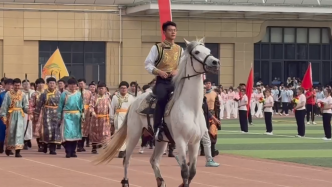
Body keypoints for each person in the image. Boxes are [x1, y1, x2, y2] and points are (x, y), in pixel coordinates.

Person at [144, 21, 183, 141]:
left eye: (175, 30)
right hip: (162, 82)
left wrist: (177, 70)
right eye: (170, 30)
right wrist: (159, 72)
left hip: (176, 81)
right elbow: (148, 64)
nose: (173, 32)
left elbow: (183, 65)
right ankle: (157, 128)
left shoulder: (180, 49)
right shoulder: (157, 48)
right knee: (161, 98)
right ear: (164, 32)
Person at [0, 78, 29, 157]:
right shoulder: (8, 94)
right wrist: (3, 115)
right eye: (15, 85)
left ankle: (18, 151)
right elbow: (4, 106)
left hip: (20, 115)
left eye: (18, 85)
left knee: (19, 132)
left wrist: (28, 110)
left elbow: (25, 105)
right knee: (11, 132)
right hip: (11, 115)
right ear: (13, 85)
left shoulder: (22, 94)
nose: (17, 87)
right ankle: (8, 148)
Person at [57, 78, 84, 158]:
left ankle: (73, 151)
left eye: (74, 85)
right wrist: (59, 117)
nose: (73, 86)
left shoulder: (79, 94)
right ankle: (68, 151)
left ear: (76, 86)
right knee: (68, 134)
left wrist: (82, 115)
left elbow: (81, 106)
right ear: (68, 85)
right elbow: (60, 106)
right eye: (71, 84)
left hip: (76, 115)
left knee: (75, 135)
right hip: (67, 115)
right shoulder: (64, 94)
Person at [35, 77, 62, 155]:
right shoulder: (44, 94)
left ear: (55, 84)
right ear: (47, 84)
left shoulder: (59, 94)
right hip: (46, 113)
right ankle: (45, 145)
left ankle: (52, 149)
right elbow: (39, 105)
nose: (52, 85)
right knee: (47, 131)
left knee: (55, 131)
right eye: (50, 83)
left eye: (53, 83)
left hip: (56, 114)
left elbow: (62, 104)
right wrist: (36, 114)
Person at [110, 81, 135, 158]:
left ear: (127, 89)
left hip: (128, 117)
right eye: (122, 88)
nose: (123, 89)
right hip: (118, 117)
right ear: (119, 89)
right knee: (119, 134)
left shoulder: (131, 98)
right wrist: (111, 119)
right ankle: (121, 150)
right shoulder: (115, 97)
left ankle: (125, 150)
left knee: (127, 134)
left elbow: (133, 109)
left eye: (125, 88)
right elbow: (111, 108)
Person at [89, 82, 111, 154]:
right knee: (95, 133)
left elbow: (110, 107)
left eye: (102, 88)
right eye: (99, 88)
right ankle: (94, 147)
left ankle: (105, 147)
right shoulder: (94, 97)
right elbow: (91, 106)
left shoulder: (108, 97)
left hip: (105, 118)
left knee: (105, 133)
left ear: (105, 89)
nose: (101, 90)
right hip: (96, 118)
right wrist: (93, 112)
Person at [201, 95, 220, 167]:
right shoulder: (196, 99)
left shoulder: (203, 99)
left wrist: (215, 119)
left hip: (203, 124)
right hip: (198, 123)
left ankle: (209, 160)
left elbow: (207, 112)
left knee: (206, 141)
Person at [204, 79, 220, 156]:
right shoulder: (202, 94)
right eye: (206, 83)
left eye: (209, 83)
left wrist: (218, 117)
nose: (208, 85)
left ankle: (212, 149)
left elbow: (217, 106)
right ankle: (203, 150)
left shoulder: (214, 94)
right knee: (204, 131)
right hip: (203, 114)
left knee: (213, 131)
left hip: (212, 113)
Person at [77, 79, 92, 152]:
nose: (81, 85)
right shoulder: (75, 92)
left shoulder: (89, 93)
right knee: (78, 128)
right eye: (79, 83)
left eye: (82, 83)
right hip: (77, 111)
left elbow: (91, 102)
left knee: (85, 129)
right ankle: (78, 145)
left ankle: (82, 145)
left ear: (85, 84)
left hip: (86, 112)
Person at [30, 78, 45, 152]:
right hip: (38, 113)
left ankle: (45, 144)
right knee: (38, 130)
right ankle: (40, 145)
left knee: (46, 129)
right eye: (39, 83)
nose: (41, 85)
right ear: (36, 85)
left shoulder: (46, 93)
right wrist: (32, 113)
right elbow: (32, 105)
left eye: (42, 83)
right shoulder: (34, 94)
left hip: (47, 113)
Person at [0, 78, 14, 155]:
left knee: (11, 132)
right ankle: (1, 146)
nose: (9, 86)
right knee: (2, 131)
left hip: (12, 115)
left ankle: (9, 149)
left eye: (11, 84)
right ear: (4, 85)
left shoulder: (15, 95)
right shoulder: (1, 95)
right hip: (2, 115)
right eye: (7, 84)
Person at [22, 79, 35, 150]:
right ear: (22, 85)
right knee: (24, 126)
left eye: (27, 84)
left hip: (32, 112)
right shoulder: (21, 93)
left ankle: (29, 139)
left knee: (30, 127)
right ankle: (25, 141)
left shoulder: (33, 92)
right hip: (24, 112)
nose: (26, 86)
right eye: (24, 84)